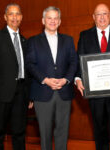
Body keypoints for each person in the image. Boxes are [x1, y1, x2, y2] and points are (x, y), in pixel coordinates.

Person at [75, 3, 110, 150]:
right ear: (93, 17)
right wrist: (78, 79)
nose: (102, 17)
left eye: (105, 13)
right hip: (95, 94)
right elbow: (79, 60)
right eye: (98, 14)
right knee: (100, 133)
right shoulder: (84, 36)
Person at [26, 6, 78, 150]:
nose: (53, 21)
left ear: (60, 21)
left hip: (64, 92)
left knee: (62, 132)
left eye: (56, 18)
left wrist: (66, 79)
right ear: (43, 20)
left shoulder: (68, 40)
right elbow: (30, 64)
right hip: (42, 92)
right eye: (49, 18)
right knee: (45, 134)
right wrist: (45, 79)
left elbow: (74, 62)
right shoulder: (33, 41)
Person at [0, 3, 30, 150]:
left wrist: (29, 95)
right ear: (5, 17)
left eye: (17, 14)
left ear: (21, 17)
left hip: (21, 94)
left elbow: (27, 69)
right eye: (11, 14)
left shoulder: (24, 41)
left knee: (20, 133)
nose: (14, 17)